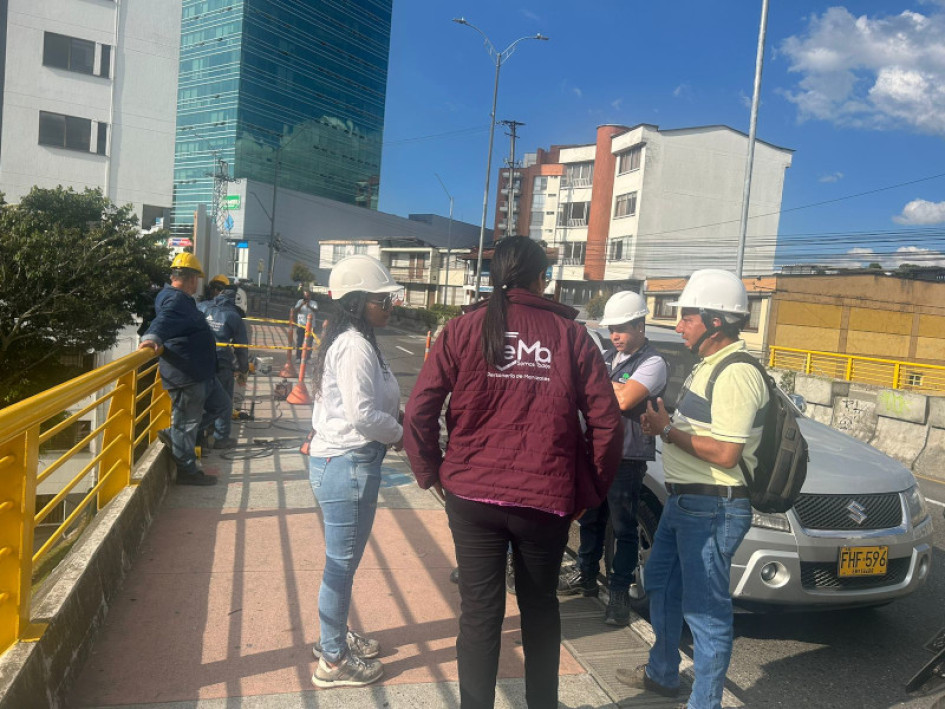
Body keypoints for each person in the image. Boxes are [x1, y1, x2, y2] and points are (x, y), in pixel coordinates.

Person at [404, 236, 623, 709]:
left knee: (479, 616)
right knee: (540, 609)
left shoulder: (463, 329)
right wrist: (589, 490)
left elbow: (419, 410)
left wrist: (432, 474)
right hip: (544, 499)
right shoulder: (570, 336)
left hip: (472, 494)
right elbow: (606, 422)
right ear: (542, 278)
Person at [618, 269, 768, 709]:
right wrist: (663, 428)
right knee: (661, 585)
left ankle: (705, 703)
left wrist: (667, 431)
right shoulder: (710, 365)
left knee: (706, 613)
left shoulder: (738, 373)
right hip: (686, 503)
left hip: (714, 507)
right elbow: (700, 431)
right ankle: (663, 674)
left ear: (715, 322)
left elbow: (725, 454)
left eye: (687, 318)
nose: (678, 325)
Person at [307, 255, 403, 689]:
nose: (391, 305)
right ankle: (333, 659)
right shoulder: (354, 345)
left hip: (347, 461)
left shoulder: (355, 338)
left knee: (343, 562)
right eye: (384, 298)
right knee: (340, 565)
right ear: (361, 300)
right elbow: (362, 415)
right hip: (347, 462)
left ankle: (334, 635)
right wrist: (400, 433)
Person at [558, 291, 667, 628]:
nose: (614, 336)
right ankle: (586, 575)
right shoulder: (607, 356)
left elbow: (623, 401)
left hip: (627, 456)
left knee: (622, 528)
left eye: (621, 329)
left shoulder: (653, 363)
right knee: (590, 519)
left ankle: (619, 591)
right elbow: (586, 392)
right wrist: (609, 388)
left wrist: (599, 389)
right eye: (611, 330)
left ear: (639, 324)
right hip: (596, 451)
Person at [138, 253, 231, 486]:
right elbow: (166, 319)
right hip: (187, 374)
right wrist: (152, 337)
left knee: (221, 405)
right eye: (197, 279)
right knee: (187, 423)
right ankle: (187, 471)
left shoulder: (178, 297)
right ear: (191, 279)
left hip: (201, 372)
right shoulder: (175, 300)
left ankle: (175, 435)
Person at [198, 274, 248, 449]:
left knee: (201, 401)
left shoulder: (201, 307)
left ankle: (199, 437)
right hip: (221, 363)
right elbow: (241, 347)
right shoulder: (233, 316)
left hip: (200, 361)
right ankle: (221, 438)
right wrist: (243, 369)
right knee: (224, 402)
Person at [290, 289, 318, 362]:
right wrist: (302, 305)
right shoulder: (300, 301)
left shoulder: (314, 303)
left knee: (310, 342)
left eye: (307, 296)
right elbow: (295, 310)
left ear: (310, 296)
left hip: (311, 326)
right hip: (301, 325)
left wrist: (309, 306)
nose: (306, 298)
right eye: (305, 296)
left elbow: (316, 310)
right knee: (299, 341)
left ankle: (308, 358)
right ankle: (298, 357)